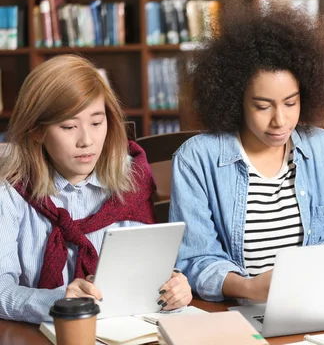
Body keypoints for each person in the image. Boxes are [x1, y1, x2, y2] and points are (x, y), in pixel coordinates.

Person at [169, 0, 324, 302]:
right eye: (262, 106)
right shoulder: (196, 159)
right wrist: (247, 288)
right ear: (234, 100)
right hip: (236, 310)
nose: (280, 121)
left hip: (311, 305)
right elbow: (196, 259)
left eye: (291, 103)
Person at [0, 55, 192, 324]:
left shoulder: (131, 179)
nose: (86, 141)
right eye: (68, 126)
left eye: (96, 122)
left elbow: (145, 272)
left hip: (122, 330)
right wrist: (56, 302)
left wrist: (172, 289)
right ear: (37, 131)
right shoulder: (10, 189)